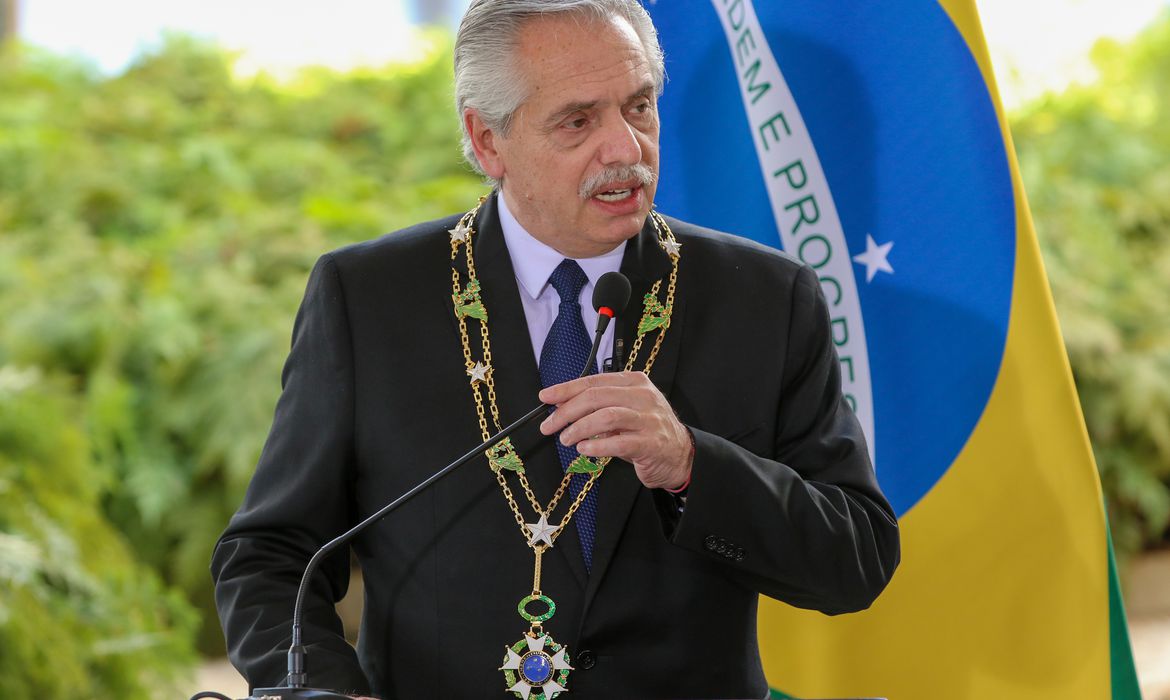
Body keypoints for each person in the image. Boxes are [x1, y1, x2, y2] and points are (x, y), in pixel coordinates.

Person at [211, 1, 901, 698]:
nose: (626, 149)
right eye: (578, 121)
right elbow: (272, 556)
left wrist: (693, 465)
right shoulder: (370, 298)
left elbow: (856, 559)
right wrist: (327, 691)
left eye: (639, 107)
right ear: (488, 142)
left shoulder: (765, 297)